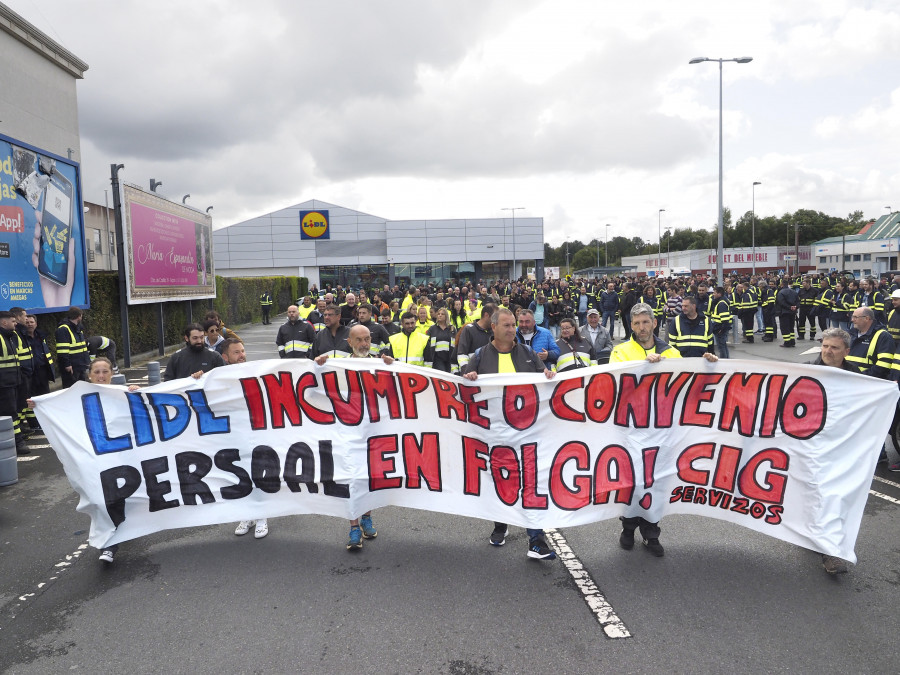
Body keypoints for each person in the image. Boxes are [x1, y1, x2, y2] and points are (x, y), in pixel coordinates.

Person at [462, 308, 557, 561]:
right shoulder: (480, 356)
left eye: (514, 324)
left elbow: (543, 383)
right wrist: (468, 377)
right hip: (493, 436)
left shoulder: (527, 353)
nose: (512, 329)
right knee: (499, 482)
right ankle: (500, 525)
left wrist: (548, 375)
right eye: (506, 325)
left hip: (526, 433)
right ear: (493, 327)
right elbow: (462, 388)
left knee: (530, 485)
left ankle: (536, 539)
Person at [28, 357, 141, 563]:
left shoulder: (122, 394)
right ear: (89, 374)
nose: (100, 376)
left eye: (105, 371)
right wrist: (39, 404)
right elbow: (56, 404)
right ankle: (109, 544)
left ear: (111, 374)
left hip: (121, 457)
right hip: (93, 459)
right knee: (100, 499)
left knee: (121, 499)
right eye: (96, 372)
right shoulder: (77, 396)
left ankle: (118, 533)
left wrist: (137, 392)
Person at [609, 303, 687, 557]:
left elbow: (688, 384)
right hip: (632, 429)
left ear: (655, 323)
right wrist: (645, 365)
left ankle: (651, 533)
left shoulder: (672, 353)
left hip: (663, 429)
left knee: (658, 482)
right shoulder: (620, 352)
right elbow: (618, 384)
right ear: (631, 326)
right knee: (632, 482)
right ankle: (628, 528)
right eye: (637, 323)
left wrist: (709, 364)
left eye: (646, 322)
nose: (642, 327)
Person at [316, 325, 394, 549]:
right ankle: (353, 527)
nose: (364, 344)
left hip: (372, 433)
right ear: (349, 342)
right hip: (346, 432)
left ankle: (366, 518)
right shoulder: (337, 365)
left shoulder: (380, 364)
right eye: (359, 340)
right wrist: (319, 366)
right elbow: (314, 389)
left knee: (367, 478)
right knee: (350, 479)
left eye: (367, 339)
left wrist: (391, 368)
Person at [807, 328, 861, 574]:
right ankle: (809, 532)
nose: (828, 351)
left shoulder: (858, 378)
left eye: (834, 347)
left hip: (840, 449)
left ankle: (831, 552)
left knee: (833, 497)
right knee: (812, 496)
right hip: (809, 447)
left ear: (846, 351)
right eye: (825, 346)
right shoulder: (808, 371)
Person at [221, 339, 270, 540]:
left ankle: (262, 517)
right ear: (225, 357)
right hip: (233, 433)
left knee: (258, 473)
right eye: (236, 353)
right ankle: (246, 516)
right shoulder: (218, 378)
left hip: (257, 431)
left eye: (243, 351)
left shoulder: (256, 372)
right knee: (239, 474)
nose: (242, 355)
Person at [0, 311, 26, 454]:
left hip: (12, 382)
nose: (15, 323)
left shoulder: (9, 337)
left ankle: (14, 440)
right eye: (12, 321)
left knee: (12, 412)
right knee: (10, 414)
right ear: (4, 322)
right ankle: (17, 442)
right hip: (4, 384)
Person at [846, 307, 894, 379]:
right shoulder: (850, 334)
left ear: (867, 318)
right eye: (852, 317)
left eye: (855, 317)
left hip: (868, 382)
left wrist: (863, 377)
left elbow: (884, 365)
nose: (852, 320)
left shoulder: (883, 336)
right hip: (847, 379)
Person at [55, 306, 90, 387]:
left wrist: (87, 362)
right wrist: (67, 365)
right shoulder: (63, 329)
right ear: (79, 316)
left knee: (82, 388)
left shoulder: (78, 328)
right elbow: (62, 350)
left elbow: (83, 348)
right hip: (72, 367)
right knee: (71, 389)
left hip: (80, 365)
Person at [454, 304, 495, 372]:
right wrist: (467, 372)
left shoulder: (493, 332)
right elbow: (462, 355)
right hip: (472, 377)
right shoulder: (469, 329)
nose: (496, 320)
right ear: (486, 315)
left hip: (489, 376)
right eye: (494, 317)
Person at [426, 307, 457, 373]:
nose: (440, 315)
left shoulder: (452, 329)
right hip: (437, 358)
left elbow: (455, 343)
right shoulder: (432, 329)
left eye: (442, 314)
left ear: (446, 316)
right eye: (438, 314)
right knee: (443, 374)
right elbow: (427, 343)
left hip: (449, 357)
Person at [775, 278, 799, 348]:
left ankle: (787, 342)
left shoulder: (781, 292)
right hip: (792, 312)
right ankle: (792, 341)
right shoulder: (794, 292)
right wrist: (795, 307)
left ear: (782, 284)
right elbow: (798, 301)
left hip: (784, 312)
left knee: (785, 328)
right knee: (791, 327)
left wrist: (789, 307)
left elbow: (781, 302)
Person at [710, 286, 732, 358]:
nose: (713, 294)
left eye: (714, 293)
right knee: (723, 346)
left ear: (719, 294)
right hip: (719, 328)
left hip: (720, 328)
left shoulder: (721, 304)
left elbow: (725, 320)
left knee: (721, 347)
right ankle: (726, 360)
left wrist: (721, 330)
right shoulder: (721, 302)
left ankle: (724, 362)